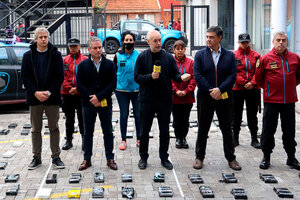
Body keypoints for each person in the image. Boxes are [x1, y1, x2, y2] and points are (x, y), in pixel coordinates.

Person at [134, 30, 191, 170]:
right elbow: (137, 77)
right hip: (146, 100)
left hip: (164, 100)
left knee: (164, 131)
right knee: (144, 131)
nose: (159, 43)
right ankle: (143, 157)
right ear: (148, 42)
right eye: (155, 41)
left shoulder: (168, 57)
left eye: (160, 40)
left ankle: (164, 157)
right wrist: (150, 77)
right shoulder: (142, 57)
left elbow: (175, 74)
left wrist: (181, 78)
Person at [193, 26, 241, 170]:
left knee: (226, 128)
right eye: (207, 37)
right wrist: (211, 90)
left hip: (224, 96)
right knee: (203, 127)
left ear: (219, 38)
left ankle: (231, 158)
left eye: (211, 37)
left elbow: (233, 75)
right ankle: (199, 157)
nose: (208, 39)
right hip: (205, 96)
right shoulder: (200, 55)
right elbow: (198, 75)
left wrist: (220, 89)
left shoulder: (229, 55)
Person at [21, 27, 65, 170]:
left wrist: (49, 92)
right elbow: (25, 77)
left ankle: (56, 157)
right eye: (40, 37)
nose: (43, 39)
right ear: (36, 39)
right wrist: (35, 93)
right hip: (35, 98)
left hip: (51, 98)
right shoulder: (28, 56)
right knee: (35, 129)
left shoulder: (56, 55)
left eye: (45, 37)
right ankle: (36, 158)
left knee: (54, 128)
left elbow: (60, 76)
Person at [255, 31, 300, 170]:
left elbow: (298, 77)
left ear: (287, 42)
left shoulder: (295, 58)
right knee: (268, 130)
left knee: (289, 131)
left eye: (284, 40)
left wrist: (290, 88)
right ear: (273, 42)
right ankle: (266, 157)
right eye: (278, 40)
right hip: (271, 101)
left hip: (289, 101)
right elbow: (258, 78)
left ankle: (291, 158)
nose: (281, 42)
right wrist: (269, 89)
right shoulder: (265, 59)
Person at [76, 37, 117, 171]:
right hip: (88, 104)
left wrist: (99, 97)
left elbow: (112, 84)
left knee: (108, 131)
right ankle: (87, 159)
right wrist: (92, 98)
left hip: (105, 103)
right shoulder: (82, 65)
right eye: (95, 48)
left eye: (100, 47)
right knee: (88, 132)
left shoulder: (109, 64)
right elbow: (80, 85)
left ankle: (110, 158)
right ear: (89, 50)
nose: (98, 50)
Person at [232, 33, 261, 149]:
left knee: (252, 115)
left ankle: (254, 139)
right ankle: (235, 138)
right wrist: (244, 82)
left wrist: (253, 83)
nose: (244, 44)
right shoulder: (233, 56)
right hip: (237, 89)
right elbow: (233, 72)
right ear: (238, 42)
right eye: (242, 42)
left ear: (249, 42)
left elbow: (259, 71)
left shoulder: (256, 55)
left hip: (253, 89)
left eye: (246, 42)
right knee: (236, 115)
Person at [113, 31, 140, 150]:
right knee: (124, 114)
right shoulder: (118, 56)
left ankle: (139, 138)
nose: (128, 42)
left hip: (136, 90)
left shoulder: (139, 55)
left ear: (134, 41)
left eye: (131, 40)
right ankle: (123, 139)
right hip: (121, 90)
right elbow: (113, 72)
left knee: (138, 115)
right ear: (123, 41)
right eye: (126, 40)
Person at [61, 37, 87, 150]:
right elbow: (61, 76)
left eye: (75, 46)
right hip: (67, 94)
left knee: (82, 118)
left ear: (79, 46)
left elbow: (87, 78)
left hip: (80, 94)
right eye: (71, 46)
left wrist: (77, 89)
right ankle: (69, 140)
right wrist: (69, 88)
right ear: (68, 47)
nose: (73, 48)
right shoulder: (64, 60)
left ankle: (84, 140)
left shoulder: (85, 60)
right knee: (69, 118)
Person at [171, 40, 196, 149]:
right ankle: (177, 138)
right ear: (174, 50)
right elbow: (169, 78)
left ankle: (184, 138)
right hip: (174, 97)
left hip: (187, 97)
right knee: (176, 119)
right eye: (178, 49)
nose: (180, 51)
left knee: (185, 119)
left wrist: (186, 91)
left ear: (185, 49)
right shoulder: (171, 62)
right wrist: (176, 90)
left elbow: (194, 78)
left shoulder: (191, 62)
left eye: (182, 48)